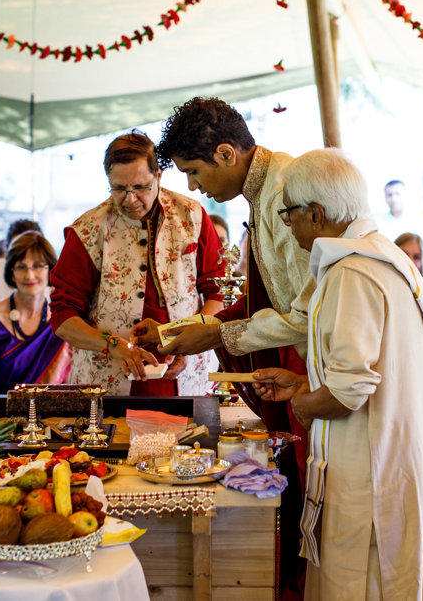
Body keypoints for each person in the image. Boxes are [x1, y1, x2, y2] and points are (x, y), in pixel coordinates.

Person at [252, 150, 423, 600]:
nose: (287, 224)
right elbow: (375, 370)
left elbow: (350, 389)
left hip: (373, 469)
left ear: (316, 213)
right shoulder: (383, 257)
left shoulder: (353, 270)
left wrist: (302, 404)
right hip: (399, 455)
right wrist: (303, 383)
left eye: (288, 213)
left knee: (363, 582)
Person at [134, 97, 313, 600]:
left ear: (227, 154)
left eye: (193, 172)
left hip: (318, 373)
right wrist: (175, 332)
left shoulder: (284, 195)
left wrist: (214, 335)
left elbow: (301, 316)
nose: (192, 187)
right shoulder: (266, 191)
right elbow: (257, 303)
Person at [49, 131, 224, 397]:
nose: (130, 199)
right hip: (108, 384)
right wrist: (113, 345)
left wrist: (188, 342)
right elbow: (62, 317)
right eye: (119, 188)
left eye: (141, 187)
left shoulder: (193, 217)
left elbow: (217, 294)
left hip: (185, 380)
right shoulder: (87, 230)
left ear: (159, 176)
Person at [0, 232, 70, 393]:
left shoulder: (62, 323)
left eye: (37, 266)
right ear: (11, 273)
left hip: (50, 416)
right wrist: (7, 416)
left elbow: (68, 388)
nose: (30, 275)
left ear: (50, 270)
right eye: (22, 267)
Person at [372, 179, 423, 279]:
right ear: (385, 197)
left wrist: (421, 277)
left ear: (406, 195)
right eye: (390, 195)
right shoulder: (376, 224)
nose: (394, 199)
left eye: (398, 194)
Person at [0, 219, 44, 310]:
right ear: (7, 251)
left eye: (32, 248)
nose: (25, 256)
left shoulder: (56, 292)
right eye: (17, 249)